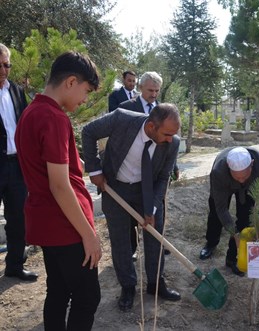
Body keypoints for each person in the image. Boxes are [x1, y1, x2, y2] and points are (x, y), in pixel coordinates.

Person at [15, 51, 102, 330]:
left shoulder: (31, 112)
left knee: (60, 291)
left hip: (47, 222)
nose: (85, 99)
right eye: (86, 91)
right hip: (65, 226)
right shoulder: (53, 118)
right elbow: (59, 185)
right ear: (71, 82)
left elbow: (55, 168)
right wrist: (89, 235)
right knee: (88, 296)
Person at [81, 103, 181, 312]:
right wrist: (94, 169)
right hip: (115, 187)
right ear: (152, 126)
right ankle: (128, 286)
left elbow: (163, 178)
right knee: (121, 241)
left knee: (155, 238)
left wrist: (152, 208)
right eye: (167, 134)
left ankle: (155, 283)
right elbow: (88, 132)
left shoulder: (172, 143)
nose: (171, 139)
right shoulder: (121, 119)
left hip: (148, 191)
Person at [118, 71, 177, 259]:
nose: (153, 94)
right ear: (141, 87)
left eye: (157, 91)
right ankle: (132, 247)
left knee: (157, 207)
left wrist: (173, 166)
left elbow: (170, 141)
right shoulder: (127, 107)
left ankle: (157, 241)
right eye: (150, 90)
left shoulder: (165, 111)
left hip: (157, 170)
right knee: (130, 215)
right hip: (132, 170)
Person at [199, 147, 259, 276]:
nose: (241, 180)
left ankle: (232, 259)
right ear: (228, 167)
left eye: (244, 176)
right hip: (224, 184)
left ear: (252, 164)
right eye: (237, 177)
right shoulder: (218, 172)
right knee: (215, 214)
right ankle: (211, 243)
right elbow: (221, 208)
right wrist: (234, 233)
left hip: (250, 187)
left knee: (245, 218)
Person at [0, 43, 37, 282]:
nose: (4, 69)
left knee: (17, 218)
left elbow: (25, 122)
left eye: (7, 65)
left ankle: (14, 265)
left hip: (15, 166)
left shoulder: (14, 89)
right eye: (0, 65)